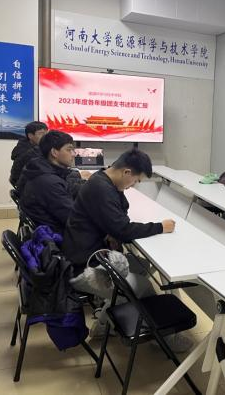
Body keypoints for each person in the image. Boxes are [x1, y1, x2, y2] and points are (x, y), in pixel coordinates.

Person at [62, 149, 191, 351]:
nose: (134, 185)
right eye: (136, 180)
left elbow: (121, 212)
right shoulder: (101, 189)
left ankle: (103, 324)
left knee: (142, 265)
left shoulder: (104, 180)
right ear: (126, 172)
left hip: (91, 255)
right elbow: (124, 230)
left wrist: (113, 227)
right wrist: (160, 227)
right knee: (144, 286)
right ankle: (164, 338)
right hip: (84, 268)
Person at [18, 130, 77, 234]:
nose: (74, 154)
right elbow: (75, 220)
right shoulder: (49, 182)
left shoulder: (39, 169)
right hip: (62, 236)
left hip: (51, 229)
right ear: (54, 152)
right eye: (69, 150)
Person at [9, 121, 48, 187]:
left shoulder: (41, 148)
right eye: (41, 133)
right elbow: (16, 176)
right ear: (30, 136)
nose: (45, 137)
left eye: (46, 133)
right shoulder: (26, 152)